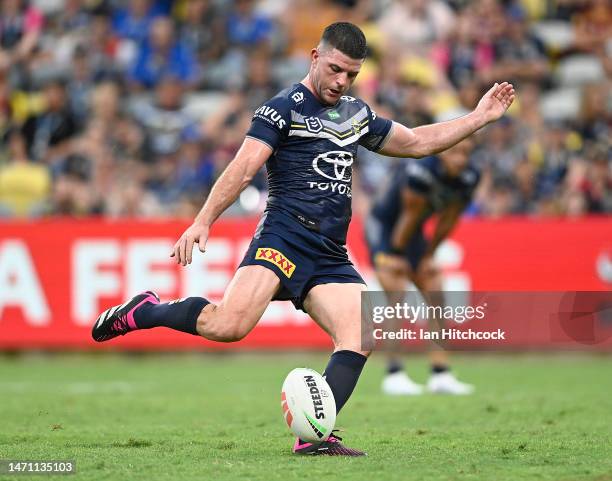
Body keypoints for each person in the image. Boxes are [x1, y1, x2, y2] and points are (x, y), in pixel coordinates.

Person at [92, 22, 514, 456]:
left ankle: (314, 436)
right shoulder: (281, 110)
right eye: (334, 69)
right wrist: (203, 220)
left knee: (363, 333)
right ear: (314, 57)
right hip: (284, 236)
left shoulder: (355, 114)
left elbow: (417, 142)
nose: (340, 81)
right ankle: (146, 310)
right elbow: (244, 167)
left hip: (329, 252)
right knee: (228, 325)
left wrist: (479, 118)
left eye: (350, 75)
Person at [366, 138, 479, 396]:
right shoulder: (421, 171)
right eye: (454, 152)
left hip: (413, 231)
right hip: (384, 226)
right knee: (396, 291)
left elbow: (449, 219)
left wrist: (429, 254)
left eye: (465, 153)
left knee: (435, 287)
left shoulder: (470, 176)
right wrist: (395, 255)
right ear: (440, 151)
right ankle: (394, 373)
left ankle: (440, 373)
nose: (460, 159)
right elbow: (409, 214)